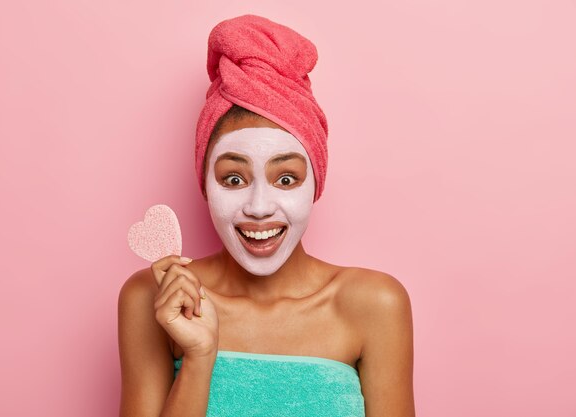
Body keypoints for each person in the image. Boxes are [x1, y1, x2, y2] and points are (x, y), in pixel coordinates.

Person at [118, 14, 415, 417]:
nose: (259, 207)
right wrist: (200, 356)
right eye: (234, 179)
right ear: (204, 184)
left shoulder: (375, 304)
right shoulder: (155, 297)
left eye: (287, 178)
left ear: (317, 183)